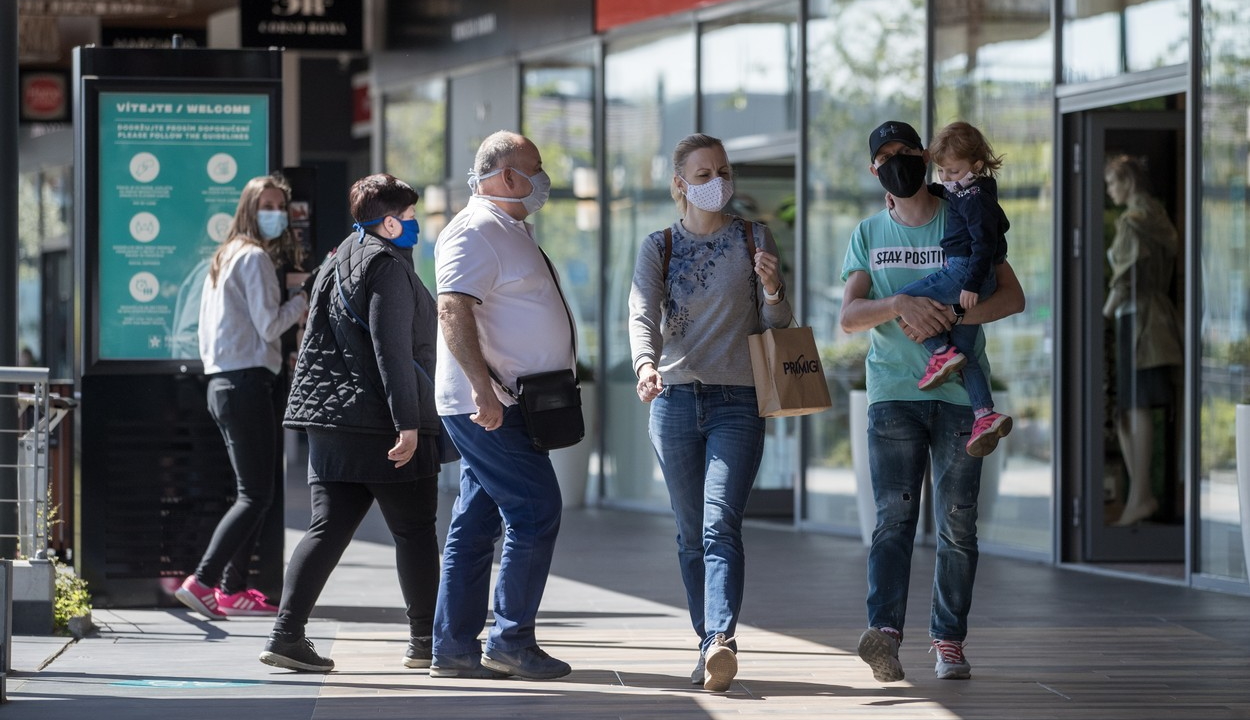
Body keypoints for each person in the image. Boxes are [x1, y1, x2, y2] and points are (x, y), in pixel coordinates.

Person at [839, 120, 1025, 683]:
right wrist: (899, 304)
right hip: (893, 392)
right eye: (886, 157)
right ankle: (886, 637)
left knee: (956, 525)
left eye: (908, 153)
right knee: (893, 520)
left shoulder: (963, 212)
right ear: (875, 170)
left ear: (926, 157)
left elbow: (1012, 296)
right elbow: (848, 317)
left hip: (959, 396)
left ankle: (949, 640)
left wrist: (954, 314)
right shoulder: (868, 233)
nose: (899, 163)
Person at [257, 173, 445, 673]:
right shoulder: (387, 267)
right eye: (408, 219)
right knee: (415, 530)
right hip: (383, 424)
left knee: (326, 528)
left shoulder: (338, 260)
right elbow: (391, 351)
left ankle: (286, 635)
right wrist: (407, 422)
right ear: (388, 221)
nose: (414, 227)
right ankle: (425, 640)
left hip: (333, 422)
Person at [627, 133, 794, 692]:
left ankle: (721, 639)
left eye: (722, 170)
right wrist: (646, 364)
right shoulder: (659, 245)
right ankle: (707, 645)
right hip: (672, 400)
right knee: (688, 532)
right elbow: (641, 311)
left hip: (737, 401)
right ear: (680, 185)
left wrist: (772, 290)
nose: (716, 181)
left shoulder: (753, 237)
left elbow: (780, 326)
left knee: (720, 521)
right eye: (703, 174)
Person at [430, 130, 573, 681]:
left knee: (476, 520)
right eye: (535, 167)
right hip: (491, 406)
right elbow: (452, 311)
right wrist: (483, 391)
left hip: (508, 402)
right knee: (535, 510)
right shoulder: (474, 231)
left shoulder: (509, 230)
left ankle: (453, 646)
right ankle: (511, 640)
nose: (544, 177)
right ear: (508, 175)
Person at [177, 174, 308, 621]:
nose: (274, 213)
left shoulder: (225, 255)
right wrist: (303, 298)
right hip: (247, 382)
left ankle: (232, 590)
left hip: (224, 383)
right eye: (265, 205)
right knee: (255, 494)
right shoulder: (253, 259)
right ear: (248, 209)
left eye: (279, 206)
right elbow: (271, 326)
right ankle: (203, 581)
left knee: (253, 492)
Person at [892, 121, 1012, 457]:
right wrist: (925, 190)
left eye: (953, 170)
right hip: (968, 273)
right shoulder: (969, 188)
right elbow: (948, 192)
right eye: (941, 170)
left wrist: (971, 284)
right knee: (967, 356)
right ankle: (985, 415)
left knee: (905, 301)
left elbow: (984, 243)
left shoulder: (976, 199)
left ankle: (940, 352)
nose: (946, 177)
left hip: (963, 270)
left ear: (976, 165)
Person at [1102, 154, 1183, 526]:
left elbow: (1123, 279)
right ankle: (1141, 494)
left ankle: (1140, 496)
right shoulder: (1158, 217)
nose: (1109, 190)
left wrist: (1102, 314)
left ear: (1128, 182)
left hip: (1138, 319)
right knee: (1133, 408)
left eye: (1112, 182)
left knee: (1134, 407)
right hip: (1156, 318)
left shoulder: (1133, 223)